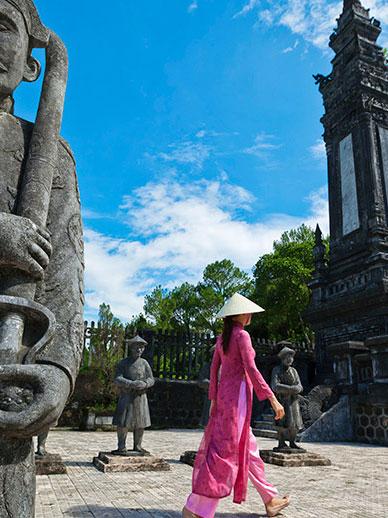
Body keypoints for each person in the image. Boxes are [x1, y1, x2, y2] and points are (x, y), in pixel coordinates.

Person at [183, 293, 290, 518]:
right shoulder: (242, 336)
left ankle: (270, 499)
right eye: (247, 310)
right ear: (238, 314)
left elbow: (214, 372)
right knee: (225, 452)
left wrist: (213, 401)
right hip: (237, 402)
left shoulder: (222, 338)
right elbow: (251, 369)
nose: (250, 314)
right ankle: (197, 508)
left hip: (225, 399)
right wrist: (272, 398)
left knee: (249, 450)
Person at [112, 335, 155, 454]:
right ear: (131, 348)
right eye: (136, 347)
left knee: (141, 422)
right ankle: (121, 446)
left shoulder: (144, 363)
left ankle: (138, 445)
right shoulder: (124, 363)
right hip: (127, 396)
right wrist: (130, 383)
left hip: (140, 396)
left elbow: (151, 379)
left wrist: (145, 384)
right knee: (123, 422)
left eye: (141, 348)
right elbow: (117, 378)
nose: (139, 350)